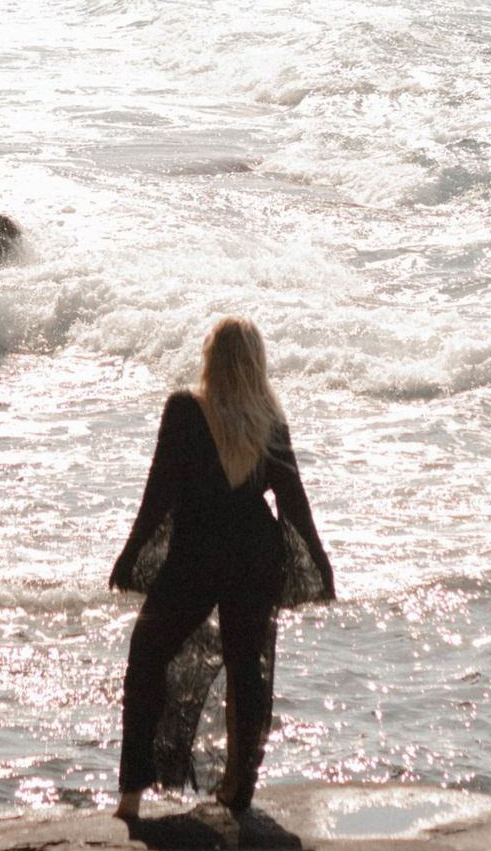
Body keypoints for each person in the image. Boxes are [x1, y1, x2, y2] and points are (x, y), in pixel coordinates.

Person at [110, 316, 334, 822]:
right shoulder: (268, 418)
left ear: (211, 356)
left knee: (147, 657)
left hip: (196, 556)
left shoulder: (185, 409)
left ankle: (131, 796)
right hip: (255, 556)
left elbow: (158, 493)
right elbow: (294, 504)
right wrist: (320, 564)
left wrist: (131, 552)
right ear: (256, 362)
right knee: (246, 670)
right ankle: (239, 792)